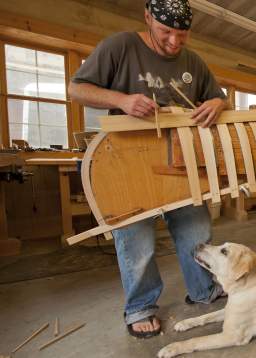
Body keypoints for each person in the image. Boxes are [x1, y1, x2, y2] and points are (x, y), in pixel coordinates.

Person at [68, 0, 227, 338]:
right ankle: (140, 307)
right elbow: (76, 88)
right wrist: (121, 101)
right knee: (137, 243)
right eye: (165, 32)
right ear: (148, 18)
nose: (173, 43)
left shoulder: (193, 62)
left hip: (183, 161)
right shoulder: (120, 46)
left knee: (196, 233)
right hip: (128, 162)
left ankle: (204, 290)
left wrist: (217, 101)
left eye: (181, 35)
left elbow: (217, 96)